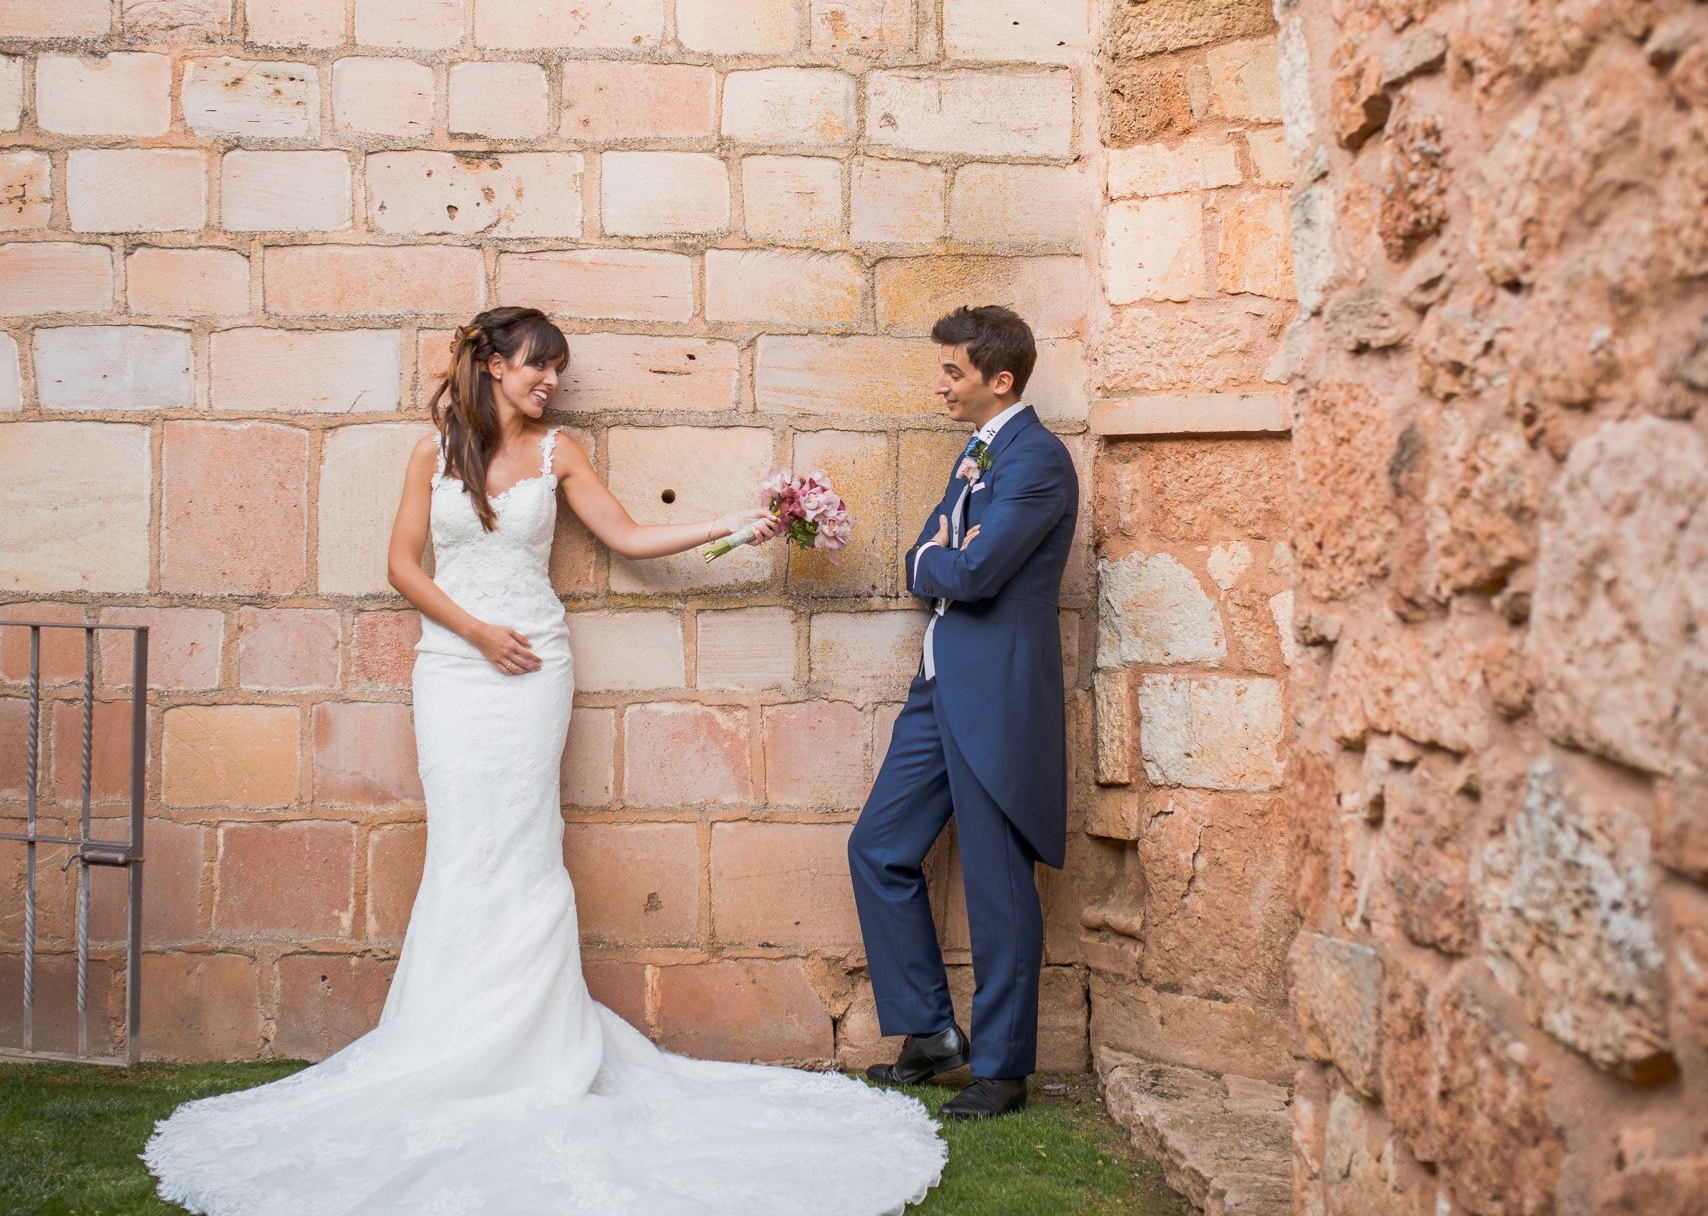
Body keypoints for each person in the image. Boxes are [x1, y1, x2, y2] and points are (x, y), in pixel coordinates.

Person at [144, 307, 946, 1215]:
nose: (549, 383)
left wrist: (739, 524)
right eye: (537, 367)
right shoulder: (430, 452)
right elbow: (404, 565)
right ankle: (444, 1045)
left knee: (526, 846)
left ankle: (537, 1051)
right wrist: (476, 631)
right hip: (454, 666)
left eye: (557, 371)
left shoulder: (559, 454)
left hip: (534, 672)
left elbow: (630, 537)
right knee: (463, 846)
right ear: (491, 365)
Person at [847, 304, 1079, 1120]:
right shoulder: (977, 455)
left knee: (995, 880)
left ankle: (1005, 1069)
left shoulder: (1038, 460)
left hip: (998, 696)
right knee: (878, 846)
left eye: (953, 371)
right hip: (938, 685)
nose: (940, 383)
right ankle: (929, 1034)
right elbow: (924, 562)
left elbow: (972, 575)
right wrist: (940, 556)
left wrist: (941, 557)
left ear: (999, 379)